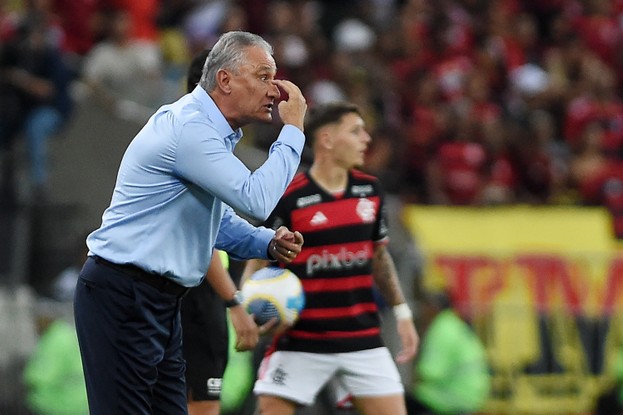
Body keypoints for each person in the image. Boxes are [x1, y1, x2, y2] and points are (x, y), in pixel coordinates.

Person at [73, 30, 307, 415]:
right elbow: (258, 198)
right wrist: (293, 131)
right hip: (124, 294)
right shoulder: (190, 129)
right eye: (264, 76)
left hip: (159, 300)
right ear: (225, 79)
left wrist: (265, 243)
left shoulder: (210, 132)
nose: (275, 91)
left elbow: (212, 220)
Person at [244, 101, 419, 415]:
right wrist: (246, 306)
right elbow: (256, 257)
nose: (366, 139)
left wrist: (402, 312)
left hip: (362, 339)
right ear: (326, 139)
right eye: (355, 131)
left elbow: (379, 257)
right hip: (301, 340)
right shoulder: (290, 196)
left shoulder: (371, 191)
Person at [405, 291, 490, 415]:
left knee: (398, 403)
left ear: (434, 307)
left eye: (426, 305)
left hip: (451, 397)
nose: (423, 311)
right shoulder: (453, 323)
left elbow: (431, 372)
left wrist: (414, 382)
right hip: (471, 396)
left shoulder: (441, 329)